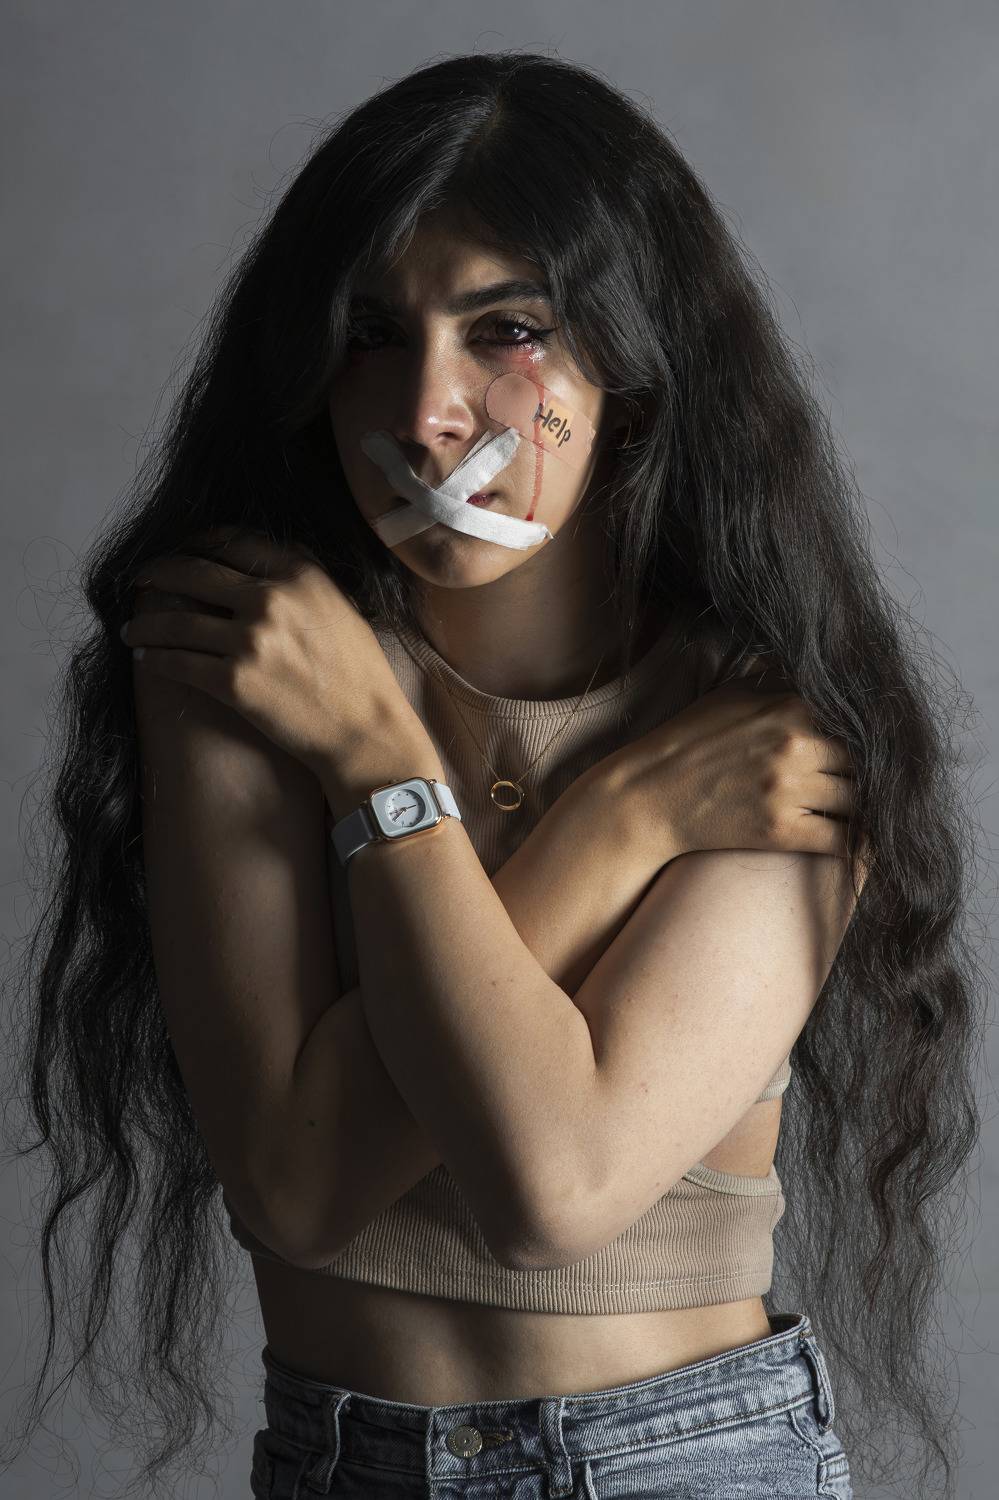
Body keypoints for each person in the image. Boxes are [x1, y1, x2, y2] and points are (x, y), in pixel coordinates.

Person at [3, 51, 984, 1500]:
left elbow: (553, 1182)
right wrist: (613, 824)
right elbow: (295, 1185)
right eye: (370, 335)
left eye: (507, 331)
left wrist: (378, 771)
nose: (427, 412)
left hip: (684, 1464)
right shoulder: (253, 658)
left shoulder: (759, 731)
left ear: (628, 379)